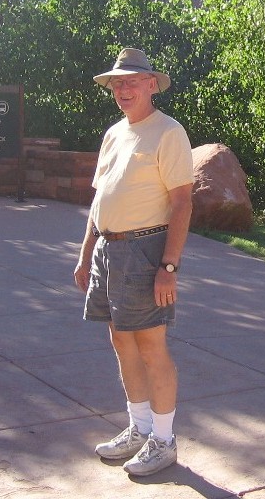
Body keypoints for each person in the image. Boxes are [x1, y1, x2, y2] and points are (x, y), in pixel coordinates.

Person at [74, 47, 194, 476]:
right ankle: (139, 429)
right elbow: (99, 199)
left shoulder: (168, 132)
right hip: (109, 250)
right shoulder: (114, 134)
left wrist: (169, 266)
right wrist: (86, 254)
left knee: (150, 345)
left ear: (150, 84)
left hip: (146, 252)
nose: (123, 89)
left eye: (131, 81)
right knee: (121, 341)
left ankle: (164, 439)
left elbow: (182, 202)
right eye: (117, 83)